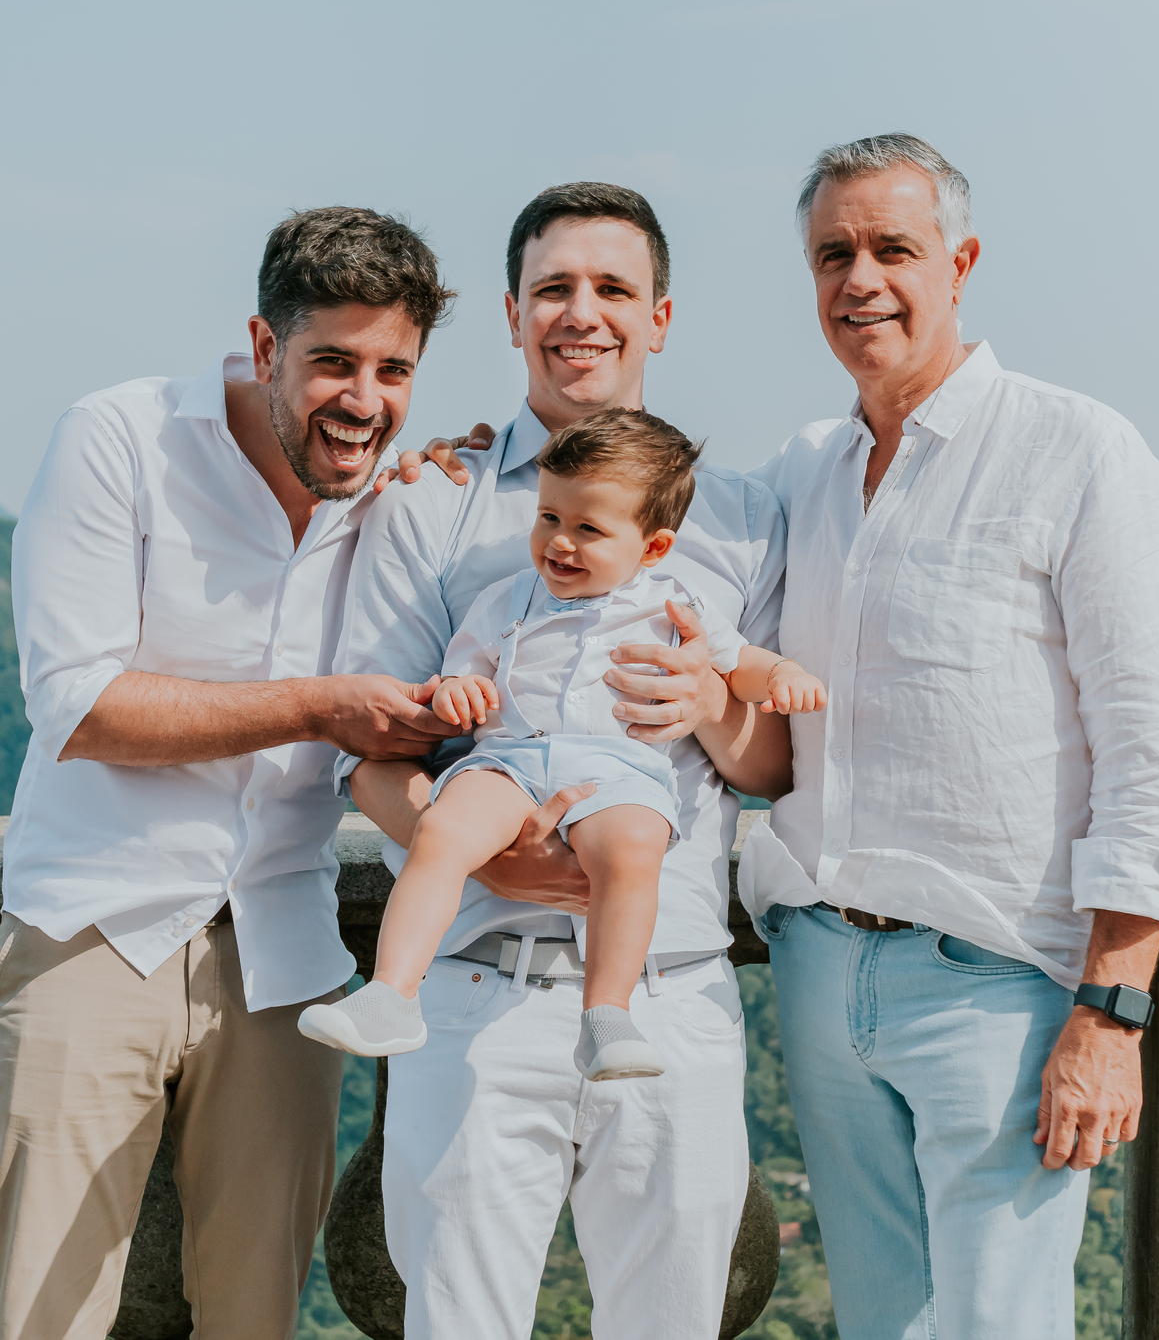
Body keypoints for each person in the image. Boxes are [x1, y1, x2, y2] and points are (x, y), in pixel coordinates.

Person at [737, 134, 1159, 1340]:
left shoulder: (1081, 451)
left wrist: (1111, 1015)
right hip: (822, 969)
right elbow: (641, 536)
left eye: (894, 247)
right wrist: (457, 473)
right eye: (832, 253)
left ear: (962, 261)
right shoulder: (803, 470)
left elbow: (1151, 756)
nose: (860, 279)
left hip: (1000, 988)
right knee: (881, 1327)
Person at [338, 181, 792, 1340]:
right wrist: (490, 857)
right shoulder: (429, 506)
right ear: (511, 311)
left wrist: (709, 705)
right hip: (476, 989)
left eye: (612, 289)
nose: (581, 313)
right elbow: (370, 761)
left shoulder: (740, 520)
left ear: (661, 316)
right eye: (554, 288)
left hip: (669, 991)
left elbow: (773, 763)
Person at [1, 206, 457, 1340]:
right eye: (333, 363)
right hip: (92, 929)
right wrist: (317, 704)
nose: (364, 397)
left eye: (393, 368)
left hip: (284, 957)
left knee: (255, 1320)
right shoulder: (119, 437)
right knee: (39, 1317)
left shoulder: (403, 503)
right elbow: (79, 705)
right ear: (265, 349)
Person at [302, 410, 823, 1076]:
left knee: (633, 847)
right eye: (548, 519)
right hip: (512, 761)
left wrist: (781, 674)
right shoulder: (508, 598)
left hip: (622, 772)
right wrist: (458, 694)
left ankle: (608, 1013)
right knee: (443, 830)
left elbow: (737, 658)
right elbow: (464, 671)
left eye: (587, 530)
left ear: (654, 548)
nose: (559, 544)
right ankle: (391, 993)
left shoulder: (674, 601)